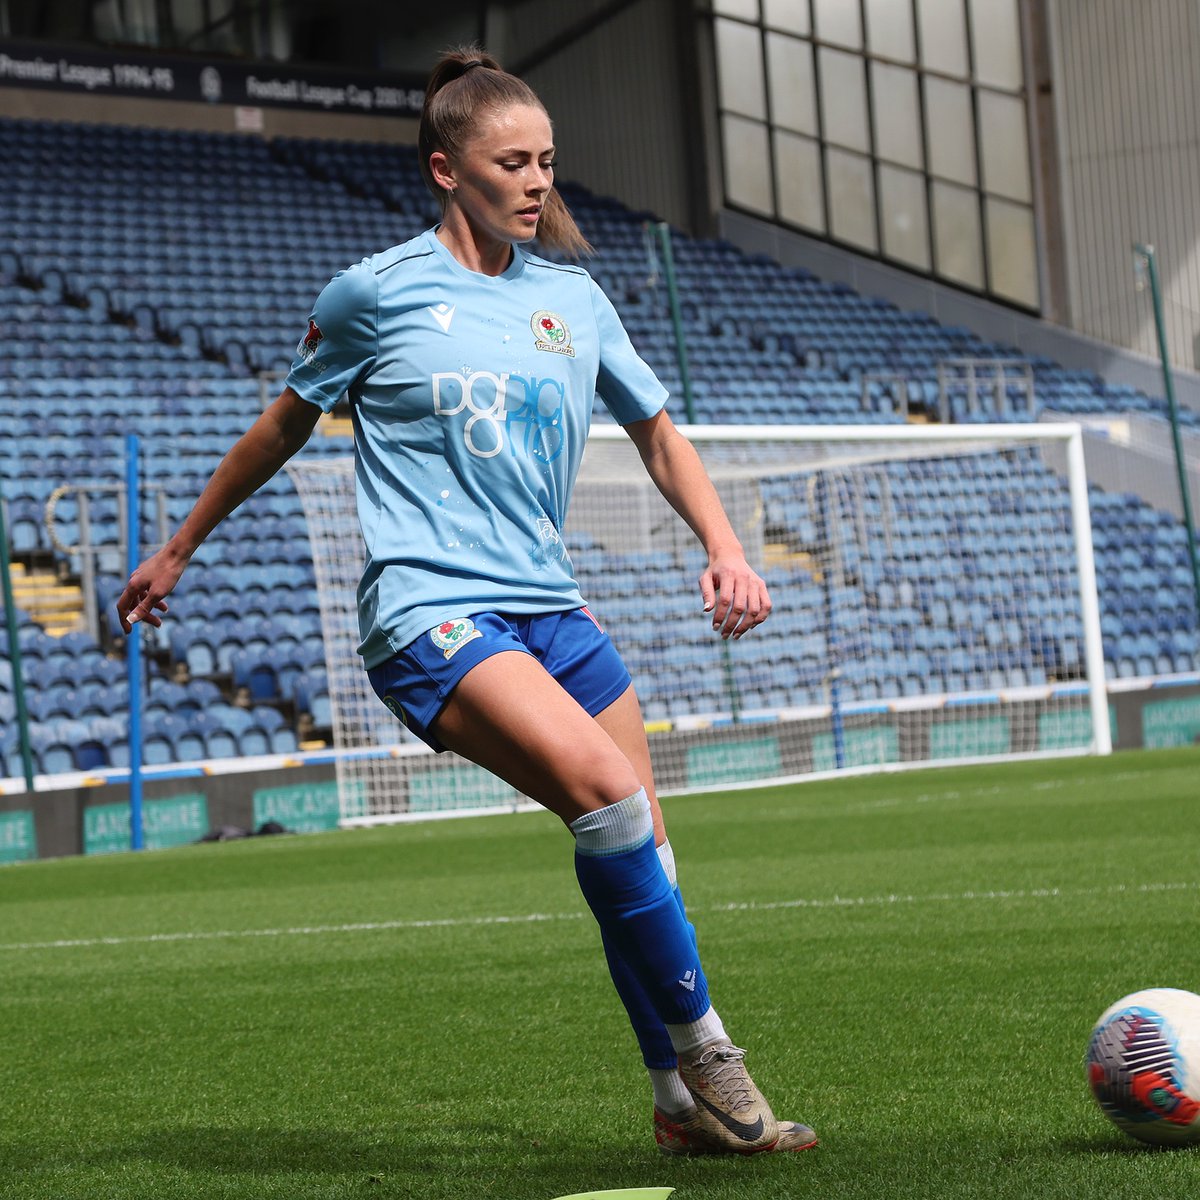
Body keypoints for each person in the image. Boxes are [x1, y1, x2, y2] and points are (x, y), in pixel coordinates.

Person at [116, 46, 817, 1158]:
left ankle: (675, 1108)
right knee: (608, 801)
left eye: (547, 162)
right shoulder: (374, 292)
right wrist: (179, 547)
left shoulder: (574, 300)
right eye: (511, 163)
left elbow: (656, 431)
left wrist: (725, 546)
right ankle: (712, 1053)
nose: (537, 183)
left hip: (552, 607)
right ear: (447, 170)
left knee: (645, 848)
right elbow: (281, 427)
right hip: (428, 610)